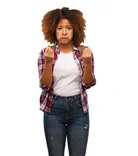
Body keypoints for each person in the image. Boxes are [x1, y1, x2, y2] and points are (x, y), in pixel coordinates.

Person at [37, 7, 96, 156]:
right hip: (53, 110)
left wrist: (87, 64)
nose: (64, 32)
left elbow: (88, 83)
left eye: (68, 28)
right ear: (53, 30)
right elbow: (44, 85)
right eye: (60, 28)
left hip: (78, 110)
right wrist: (49, 63)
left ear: (75, 29)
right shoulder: (46, 53)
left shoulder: (83, 53)